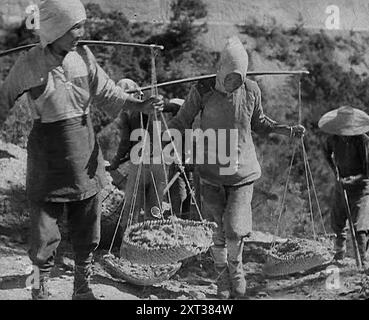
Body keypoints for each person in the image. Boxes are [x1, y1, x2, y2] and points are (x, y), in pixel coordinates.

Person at [0, 0, 163, 300]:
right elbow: (4, 97)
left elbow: (108, 92)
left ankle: (81, 286)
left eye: (81, 25)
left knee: (88, 228)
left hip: (84, 155)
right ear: (56, 29)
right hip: (47, 159)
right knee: (43, 233)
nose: (81, 32)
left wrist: (140, 105)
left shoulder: (84, 57)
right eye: (75, 26)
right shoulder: (30, 63)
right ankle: (39, 285)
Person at [167, 36, 305, 299]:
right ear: (221, 70)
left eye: (238, 77)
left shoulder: (251, 90)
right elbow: (182, 119)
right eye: (229, 76)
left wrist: (284, 130)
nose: (233, 83)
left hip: (242, 172)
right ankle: (221, 277)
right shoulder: (203, 90)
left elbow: (259, 122)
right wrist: (171, 134)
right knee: (217, 229)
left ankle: (237, 271)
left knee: (235, 227)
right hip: (209, 172)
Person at [105, 79, 183, 234]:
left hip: (141, 164)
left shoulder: (129, 113)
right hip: (159, 162)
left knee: (133, 206)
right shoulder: (151, 108)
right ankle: (153, 241)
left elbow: (125, 142)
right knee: (155, 207)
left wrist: (114, 163)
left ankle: (129, 242)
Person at [319, 106, 369, 271]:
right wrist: (336, 173)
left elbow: (367, 171)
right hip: (342, 186)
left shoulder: (362, 141)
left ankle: (363, 261)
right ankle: (339, 254)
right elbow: (326, 153)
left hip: (362, 188)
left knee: (360, 226)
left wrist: (353, 180)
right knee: (338, 221)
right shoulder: (333, 140)